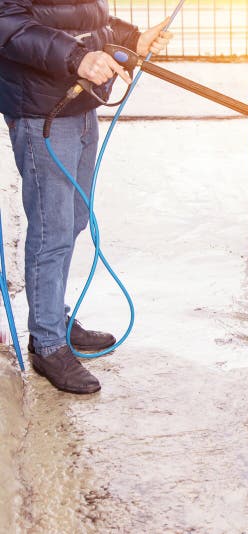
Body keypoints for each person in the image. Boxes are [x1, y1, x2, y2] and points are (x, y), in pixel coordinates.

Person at [0, 0, 172, 394]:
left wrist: (132, 39)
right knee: (52, 228)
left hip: (79, 101)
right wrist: (78, 57)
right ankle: (46, 343)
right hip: (43, 107)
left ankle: (53, 318)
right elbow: (8, 25)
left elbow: (87, 18)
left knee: (73, 217)